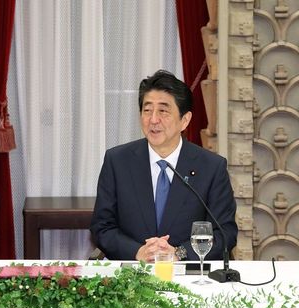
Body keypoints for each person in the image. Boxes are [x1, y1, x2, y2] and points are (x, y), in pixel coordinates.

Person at [90, 69, 237, 262]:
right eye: (147, 110)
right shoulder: (117, 161)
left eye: (163, 111)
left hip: (187, 275)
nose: (153, 120)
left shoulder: (211, 167)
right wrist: (138, 252)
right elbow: (102, 227)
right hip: (133, 275)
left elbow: (224, 233)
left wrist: (178, 254)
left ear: (185, 120)